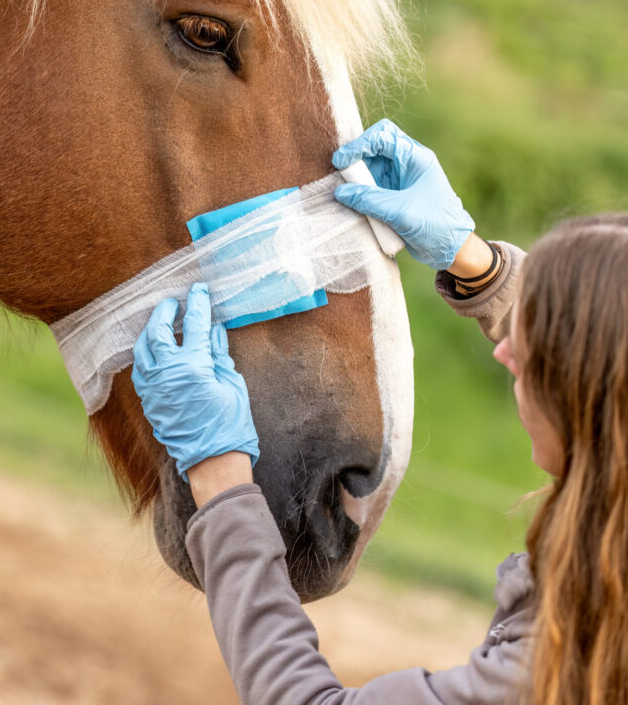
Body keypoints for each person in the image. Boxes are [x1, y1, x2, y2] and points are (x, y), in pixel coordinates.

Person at [130, 120, 628, 705]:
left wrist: (219, 474)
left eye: (542, 349)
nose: (505, 352)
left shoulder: (560, 663)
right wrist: (479, 264)